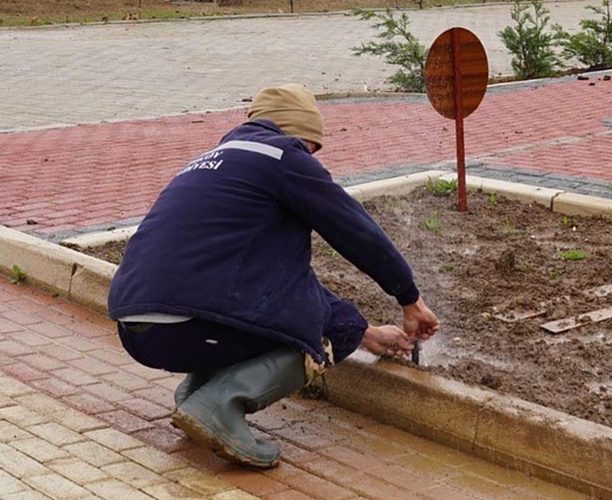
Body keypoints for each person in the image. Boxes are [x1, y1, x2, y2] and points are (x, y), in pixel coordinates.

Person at [107, 83, 439, 468]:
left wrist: (367, 333)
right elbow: (355, 230)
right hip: (189, 329)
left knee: (335, 321)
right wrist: (408, 297)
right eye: (313, 147)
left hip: (136, 330)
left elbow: (279, 281)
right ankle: (220, 404)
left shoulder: (212, 161)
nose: (313, 157)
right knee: (339, 326)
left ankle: (198, 393)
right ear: (299, 135)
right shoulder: (284, 157)